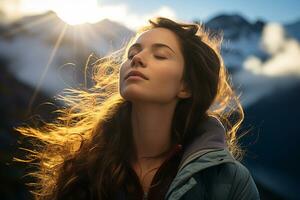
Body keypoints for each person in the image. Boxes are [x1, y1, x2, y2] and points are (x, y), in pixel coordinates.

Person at [16, 17, 260, 200]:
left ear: (186, 86)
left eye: (160, 55)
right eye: (133, 52)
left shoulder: (230, 182)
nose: (137, 58)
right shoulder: (80, 167)